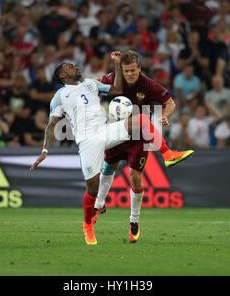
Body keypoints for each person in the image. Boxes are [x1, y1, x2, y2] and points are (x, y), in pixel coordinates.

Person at [30, 54, 187, 245]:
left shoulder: (90, 84)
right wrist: (45, 151)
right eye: (70, 66)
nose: (75, 66)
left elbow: (117, 89)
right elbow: (51, 125)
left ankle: (168, 154)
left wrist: (116, 64)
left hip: (105, 130)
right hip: (87, 142)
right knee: (93, 189)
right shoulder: (60, 96)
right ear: (63, 75)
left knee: (141, 120)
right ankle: (88, 225)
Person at [94, 50, 194, 243]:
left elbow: (170, 102)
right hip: (117, 130)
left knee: (135, 178)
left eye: (133, 70)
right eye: (126, 71)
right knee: (108, 166)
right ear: (121, 70)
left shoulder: (148, 85)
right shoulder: (113, 78)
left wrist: (166, 115)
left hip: (139, 137)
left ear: (139, 69)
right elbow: (94, 85)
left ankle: (134, 221)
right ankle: (99, 204)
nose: (130, 74)